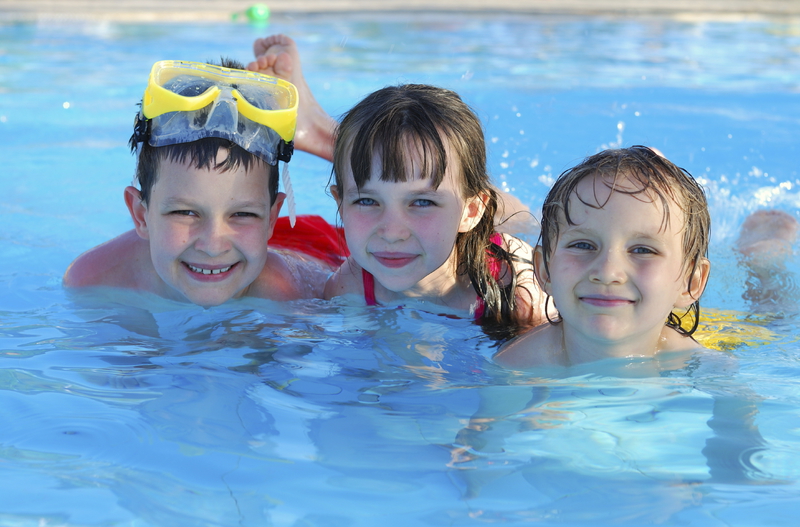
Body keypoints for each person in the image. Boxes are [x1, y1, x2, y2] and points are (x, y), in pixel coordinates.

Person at [249, 35, 547, 339]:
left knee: (520, 216)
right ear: (340, 203)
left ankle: (327, 135)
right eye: (367, 201)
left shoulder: (518, 290)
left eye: (421, 203)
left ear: (470, 211)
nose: (392, 232)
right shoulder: (349, 288)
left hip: (493, 236)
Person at [64, 59, 347, 307]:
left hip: (314, 247)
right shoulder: (94, 281)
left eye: (243, 214)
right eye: (185, 212)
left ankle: (320, 134)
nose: (213, 246)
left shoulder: (290, 294)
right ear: (141, 214)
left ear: (272, 217)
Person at [495, 146, 712, 367]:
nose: (607, 272)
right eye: (582, 245)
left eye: (642, 250)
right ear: (544, 270)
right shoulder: (513, 368)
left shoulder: (709, 371)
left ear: (690, 281)